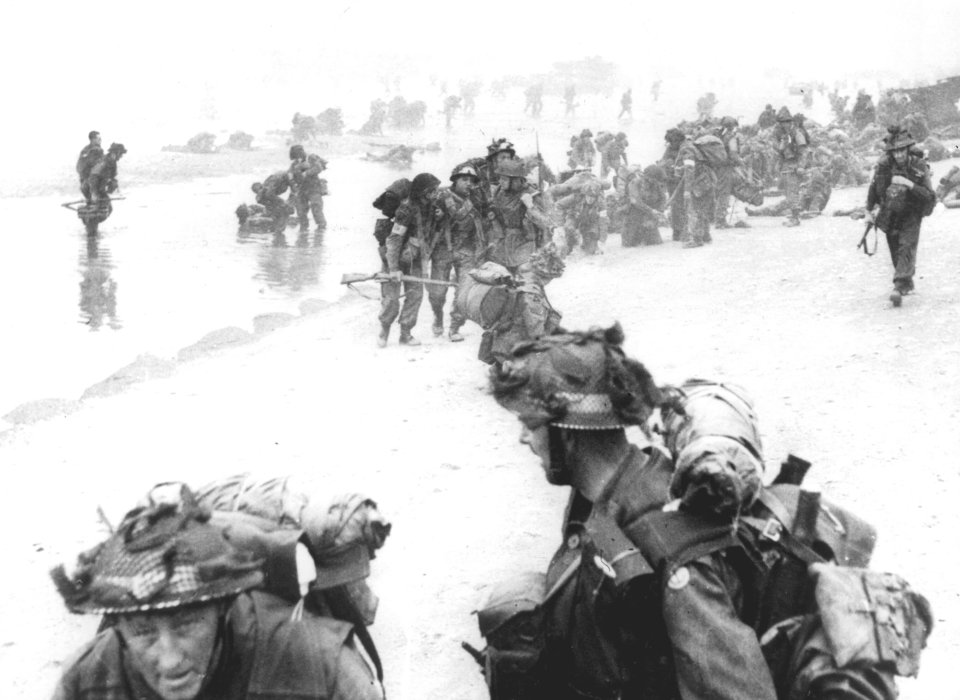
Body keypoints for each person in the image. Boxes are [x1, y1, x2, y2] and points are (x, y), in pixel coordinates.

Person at [477, 325, 933, 700]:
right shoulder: (606, 495)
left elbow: (735, 691)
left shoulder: (675, 545)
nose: (523, 439)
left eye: (529, 424)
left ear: (569, 433)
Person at [51, 484, 383, 700]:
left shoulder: (319, 662)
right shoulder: (85, 681)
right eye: (143, 632)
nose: (169, 660)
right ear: (119, 628)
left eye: (185, 625)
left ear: (224, 608)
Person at [865, 127, 936, 307]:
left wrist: (909, 184)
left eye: (901, 150)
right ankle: (906, 282)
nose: (898, 155)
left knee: (906, 245)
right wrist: (868, 211)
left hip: (912, 212)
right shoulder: (884, 166)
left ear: (907, 150)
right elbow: (874, 189)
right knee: (895, 247)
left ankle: (898, 286)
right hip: (890, 212)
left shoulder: (919, 166)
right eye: (894, 151)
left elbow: (929, 196)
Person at [379, 172, 440, 346]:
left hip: (415, 260)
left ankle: (405, 333)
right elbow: (394, 239)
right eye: (433, 190)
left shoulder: (431, 207)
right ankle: (384, 330)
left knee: (415, 296)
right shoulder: (406, 209)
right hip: (395, 259)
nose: (436, 194)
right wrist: (392, 269)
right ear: (424, 192)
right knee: (391, 300)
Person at [428, 164, 485, 341]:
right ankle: (438, 316)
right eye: (464, 179)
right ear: (455, 180)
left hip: (466, 249)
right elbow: (428, 218)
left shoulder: (476, 199)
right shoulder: (441, 196)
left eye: (471, 181)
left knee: (464, 292)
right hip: (443, 249)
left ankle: (454, 327)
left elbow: (481, 226)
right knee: (437, 293)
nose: (468, 184)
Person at [487, 159, 552, 270]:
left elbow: (545, 223)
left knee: (523, 274)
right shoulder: (500, 193)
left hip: (524, 243)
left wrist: (530, 206)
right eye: (500, 178)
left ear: (515, 180)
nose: (500, 182)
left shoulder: (531, 194)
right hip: (504, 242)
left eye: (504, 179)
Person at [676, 133, 717, 248]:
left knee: (695, 210)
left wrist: (687, 190)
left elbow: (689, 169)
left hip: (699, 183)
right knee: (703, 209)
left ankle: (697, 239)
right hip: (708, 180)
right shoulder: (694, 146)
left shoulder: (686, 150)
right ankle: (706, 236)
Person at [772, 106, 808, 227]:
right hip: (786, 165)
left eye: (787, 122)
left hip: (794, 165)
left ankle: (796, 218)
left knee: (793, 192)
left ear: (791, 122)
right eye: (782, 123)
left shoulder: (796, 134)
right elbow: (778, 149)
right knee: (788, 192)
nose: (785, 125)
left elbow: (804, 151)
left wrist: (801, 166)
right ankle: (794, 216)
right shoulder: (783, 135)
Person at [623, 165, 667, 246]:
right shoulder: (635, 183)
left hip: (649, 217)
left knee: (655, 242)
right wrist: (651, 211)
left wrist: (660, 210)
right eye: (654, 179)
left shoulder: (655, 184)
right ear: (647, 177)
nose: (656, 182)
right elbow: (636, 202)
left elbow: (663, 199)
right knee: (631, 244)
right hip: (635, 216)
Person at [289, 144, 328, 235]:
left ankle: (321, 229)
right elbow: (290, 173)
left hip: (314, 187)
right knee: (301, 210)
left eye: (298, 155)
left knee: (316, 208)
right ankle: (304, 229)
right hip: (302, 189)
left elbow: (318, 168)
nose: (297, 157)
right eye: (295, 156)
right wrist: (291, 176)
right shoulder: (294, 163)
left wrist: (306, 173)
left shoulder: (311, 158)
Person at [714, 116, 743, 227]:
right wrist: (741, 162)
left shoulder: (719, 136)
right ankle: (720, 221)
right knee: (724, 194)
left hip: (717, 168)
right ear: (732, 126)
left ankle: (719, 218)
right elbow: (733, 154)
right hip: (726, 168)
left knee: (720, 193)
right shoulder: (731, 137)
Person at [83, 143, 126, 216]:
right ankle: (90, 223)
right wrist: (94, 193)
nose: (121, 156)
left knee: (107, 209)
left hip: (99, 189)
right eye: (120, 154)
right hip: (90, 187)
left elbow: (112, 177)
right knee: (99, 210)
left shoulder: (113, 163)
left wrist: (113, 184)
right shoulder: (103, 161)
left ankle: (92, 221)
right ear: (116, 153)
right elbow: (93, 177)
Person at [659, 128, 687, 241]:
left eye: (672, 141)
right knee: (675, 206)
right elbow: (663, 161)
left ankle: (685, 231)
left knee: (684, 206)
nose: (670, 143)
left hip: (684, 181)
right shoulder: (670, 148)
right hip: (672, 181)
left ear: (678, 140)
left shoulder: (686, 148)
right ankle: (677, 232)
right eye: (669, 141)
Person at [251, 171, 294, 241]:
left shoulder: (268, 188)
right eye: (258, 191)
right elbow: (271, 204)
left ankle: (278, 236)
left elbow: (275, 200)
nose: (260, 191)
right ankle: (278, 236)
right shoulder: (262, 196)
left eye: (260, 189)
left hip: (286, 180)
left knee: (282, 212)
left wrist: (286, 205)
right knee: (280, 216)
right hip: (284, 182)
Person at [76, 130, 103, 197]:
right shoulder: (87, 150)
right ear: (93, 139)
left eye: (100, 139)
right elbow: (80, 166)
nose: (100, 140)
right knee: (86, 188)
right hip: (88, 178)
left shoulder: (99, 150)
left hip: (96, 178)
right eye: (98, 139)